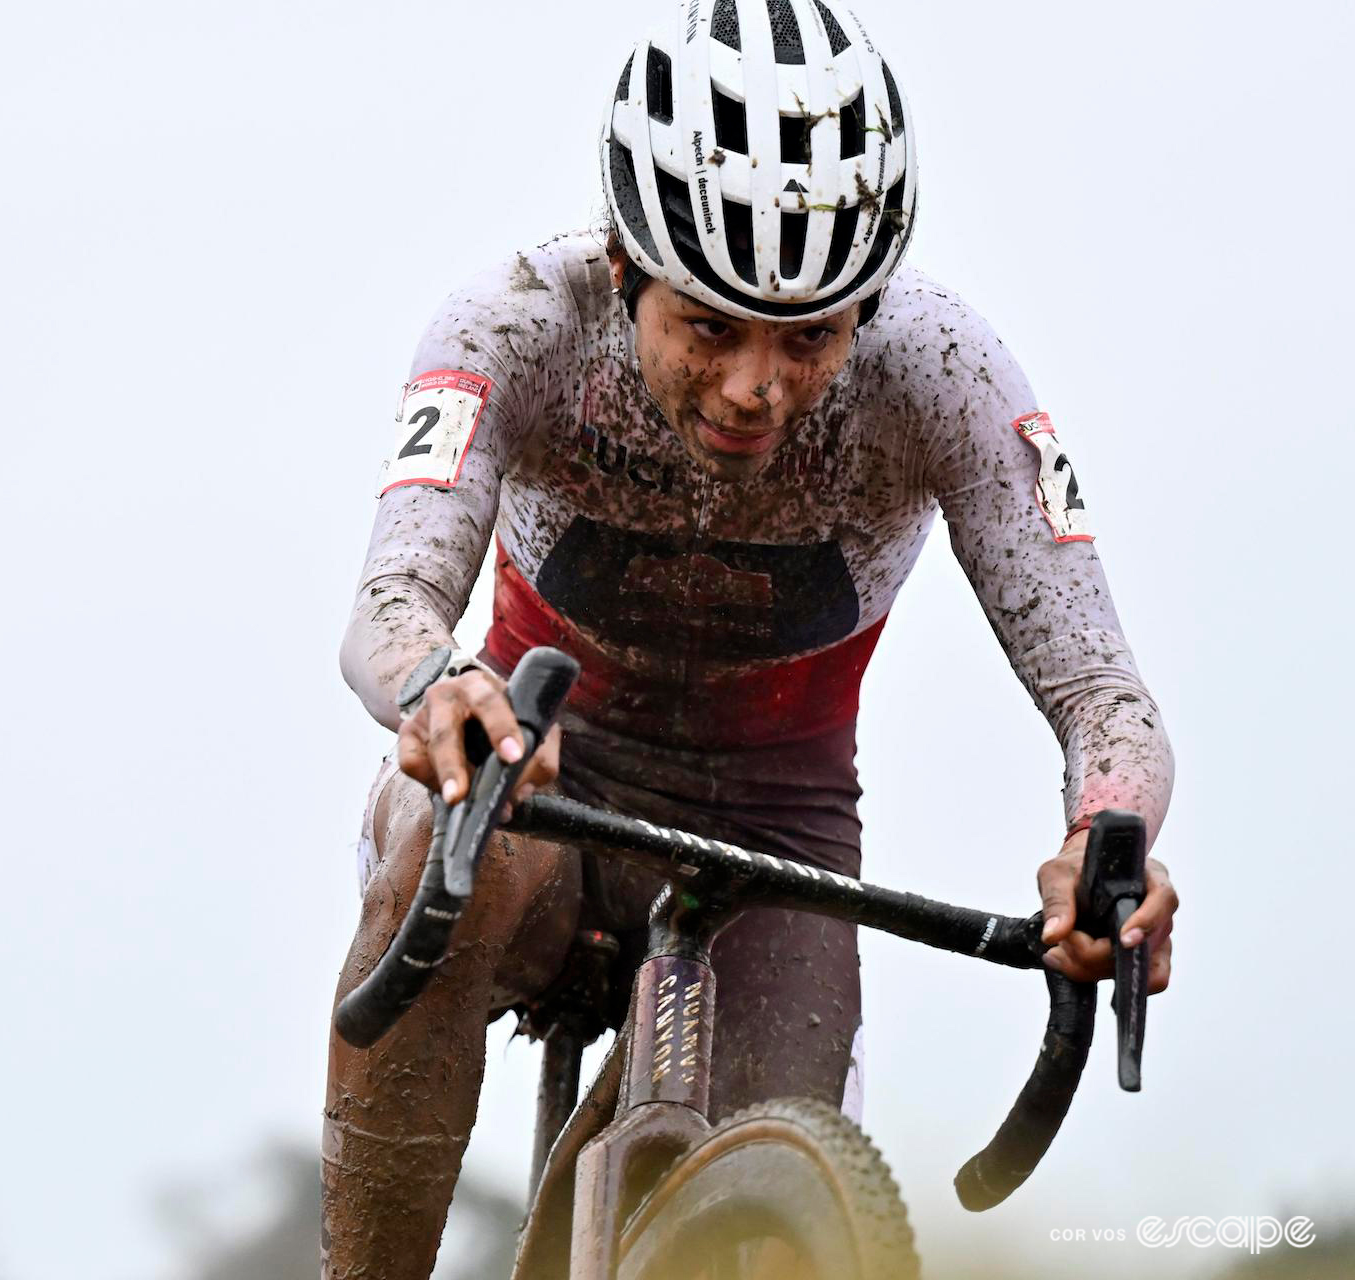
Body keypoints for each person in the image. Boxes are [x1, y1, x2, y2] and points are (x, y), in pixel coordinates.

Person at [325, 2, 1178, 1275]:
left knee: (795, 1198)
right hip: (535, 784)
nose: (754, 385)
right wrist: (443, 690)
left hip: (775, 835)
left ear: (871, 308)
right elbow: (389, 605)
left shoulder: (946, 373)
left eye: (811, 336)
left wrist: (1104, 844)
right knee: (471, 859)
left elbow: (1105, 692)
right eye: (708, 324)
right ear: (623, 270)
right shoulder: (515, 324)